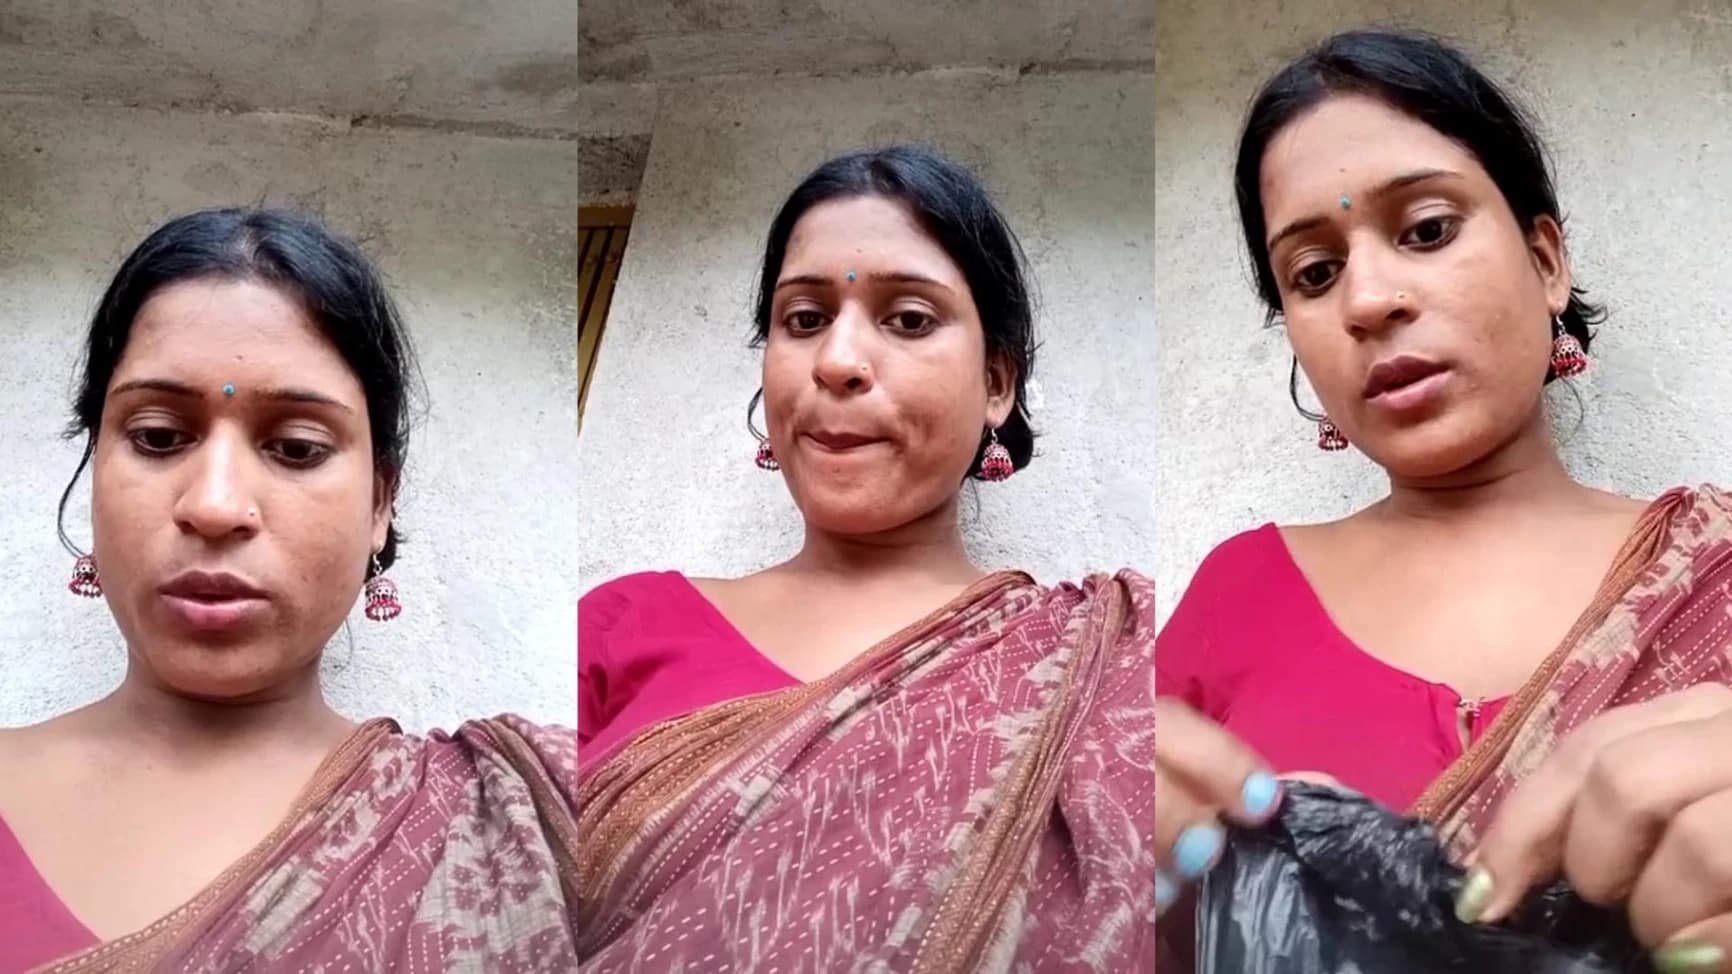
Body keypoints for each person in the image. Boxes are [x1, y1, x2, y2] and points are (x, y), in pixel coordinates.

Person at [1153, 29, 1732, 973]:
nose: (1368, 299)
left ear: (1546, 262)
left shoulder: (1716, 573)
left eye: (1426, 229)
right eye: (1314, 272)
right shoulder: (1238, 595)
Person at [577, 145, 1155, 970]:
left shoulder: (1104, 661)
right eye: (804, 319)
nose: (837, 361)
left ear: (997, 384)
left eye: (909, 319)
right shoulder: (621, 626)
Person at [0, 208, 576, 972]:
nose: (214, 505)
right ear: (95, 471)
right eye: (158, 437)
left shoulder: (517, 821)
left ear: (379, 504)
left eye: (297, 448)